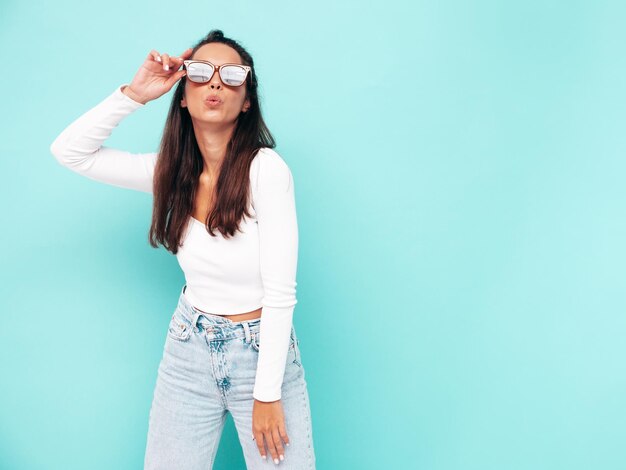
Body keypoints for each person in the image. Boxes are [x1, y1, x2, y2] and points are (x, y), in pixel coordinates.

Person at [50, 29, 316, 469]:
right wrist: (135, 94)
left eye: (232, 76)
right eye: (200, 72)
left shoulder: (266, 171)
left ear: (247, 100)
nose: (215, 82)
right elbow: (70, 152)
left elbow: (281, 292)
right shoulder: (169, 172)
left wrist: (267, 393)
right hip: (189, 346)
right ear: (183, 95)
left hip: (260, 350)